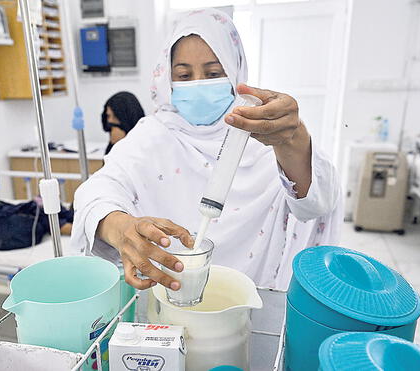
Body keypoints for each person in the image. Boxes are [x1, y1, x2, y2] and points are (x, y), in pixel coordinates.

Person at [71, 9, 342, 291]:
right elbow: (97, 192)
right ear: (168, 79)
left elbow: (316, 204)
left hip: (248, 298)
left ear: (235, 72)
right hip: (165, 292)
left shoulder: (262, 135)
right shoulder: (152, 136)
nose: (198, 83)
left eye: (213, 73)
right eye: (184, 75)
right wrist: (121, 227)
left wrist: (294, 139)